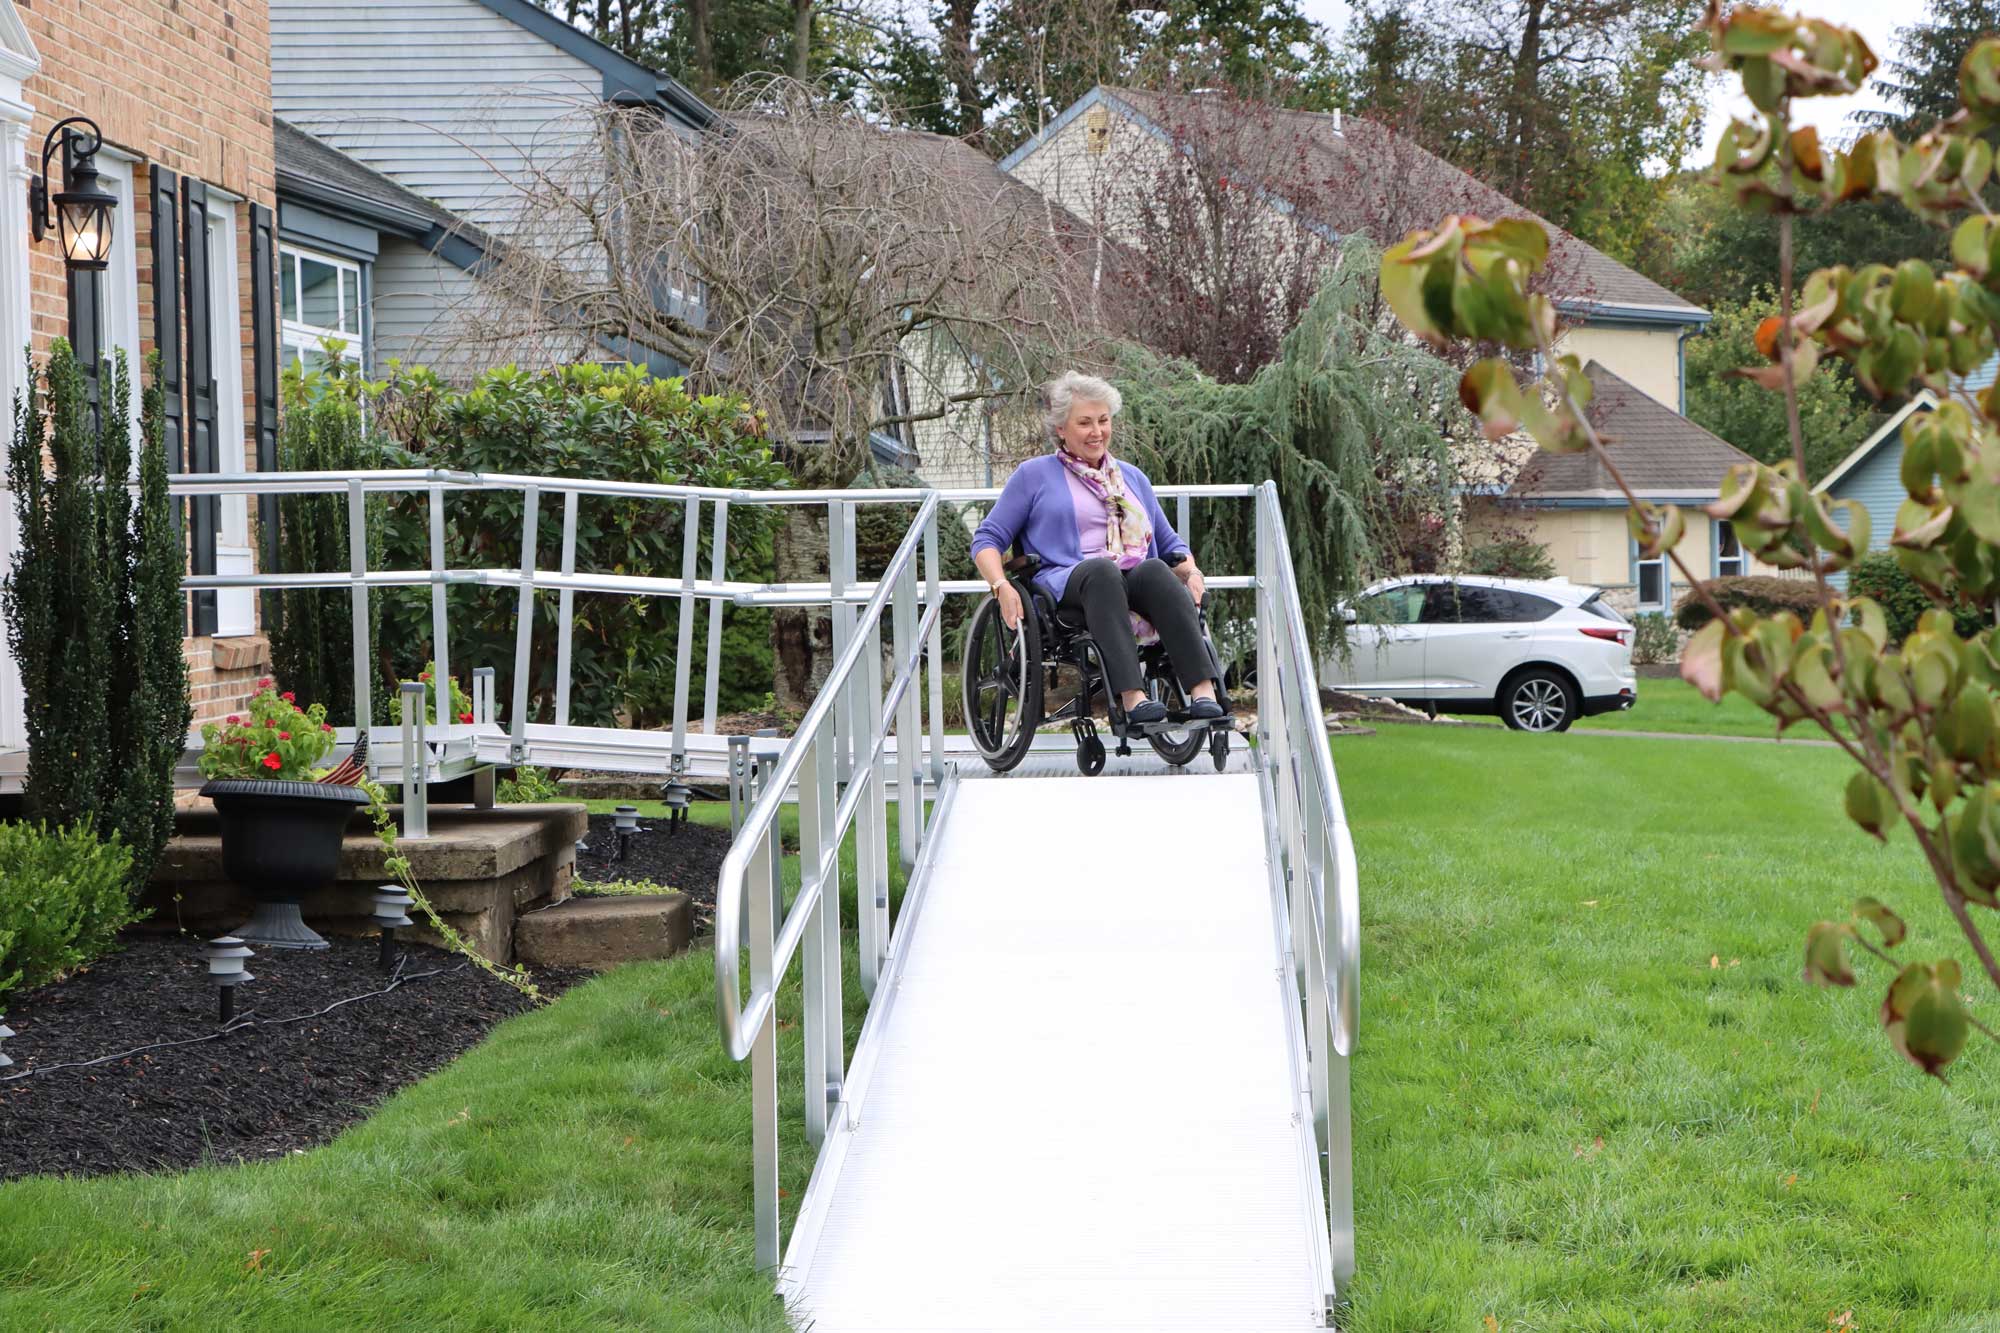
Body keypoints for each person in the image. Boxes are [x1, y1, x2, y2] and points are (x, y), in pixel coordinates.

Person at [970, 372, 1225, 726]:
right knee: (1102, 570)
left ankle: (1203, 691)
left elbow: (1170, 546)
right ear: (1061, 428)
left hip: (1132, 578)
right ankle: (1133, 699)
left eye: (1103, 421)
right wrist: (1001, 586)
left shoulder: (1132, 478)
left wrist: (1192, 573)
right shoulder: (1034, 475)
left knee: (1153, 569)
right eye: (1085, 423)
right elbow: (986, 540)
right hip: (1067, 582)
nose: (1097, 432)